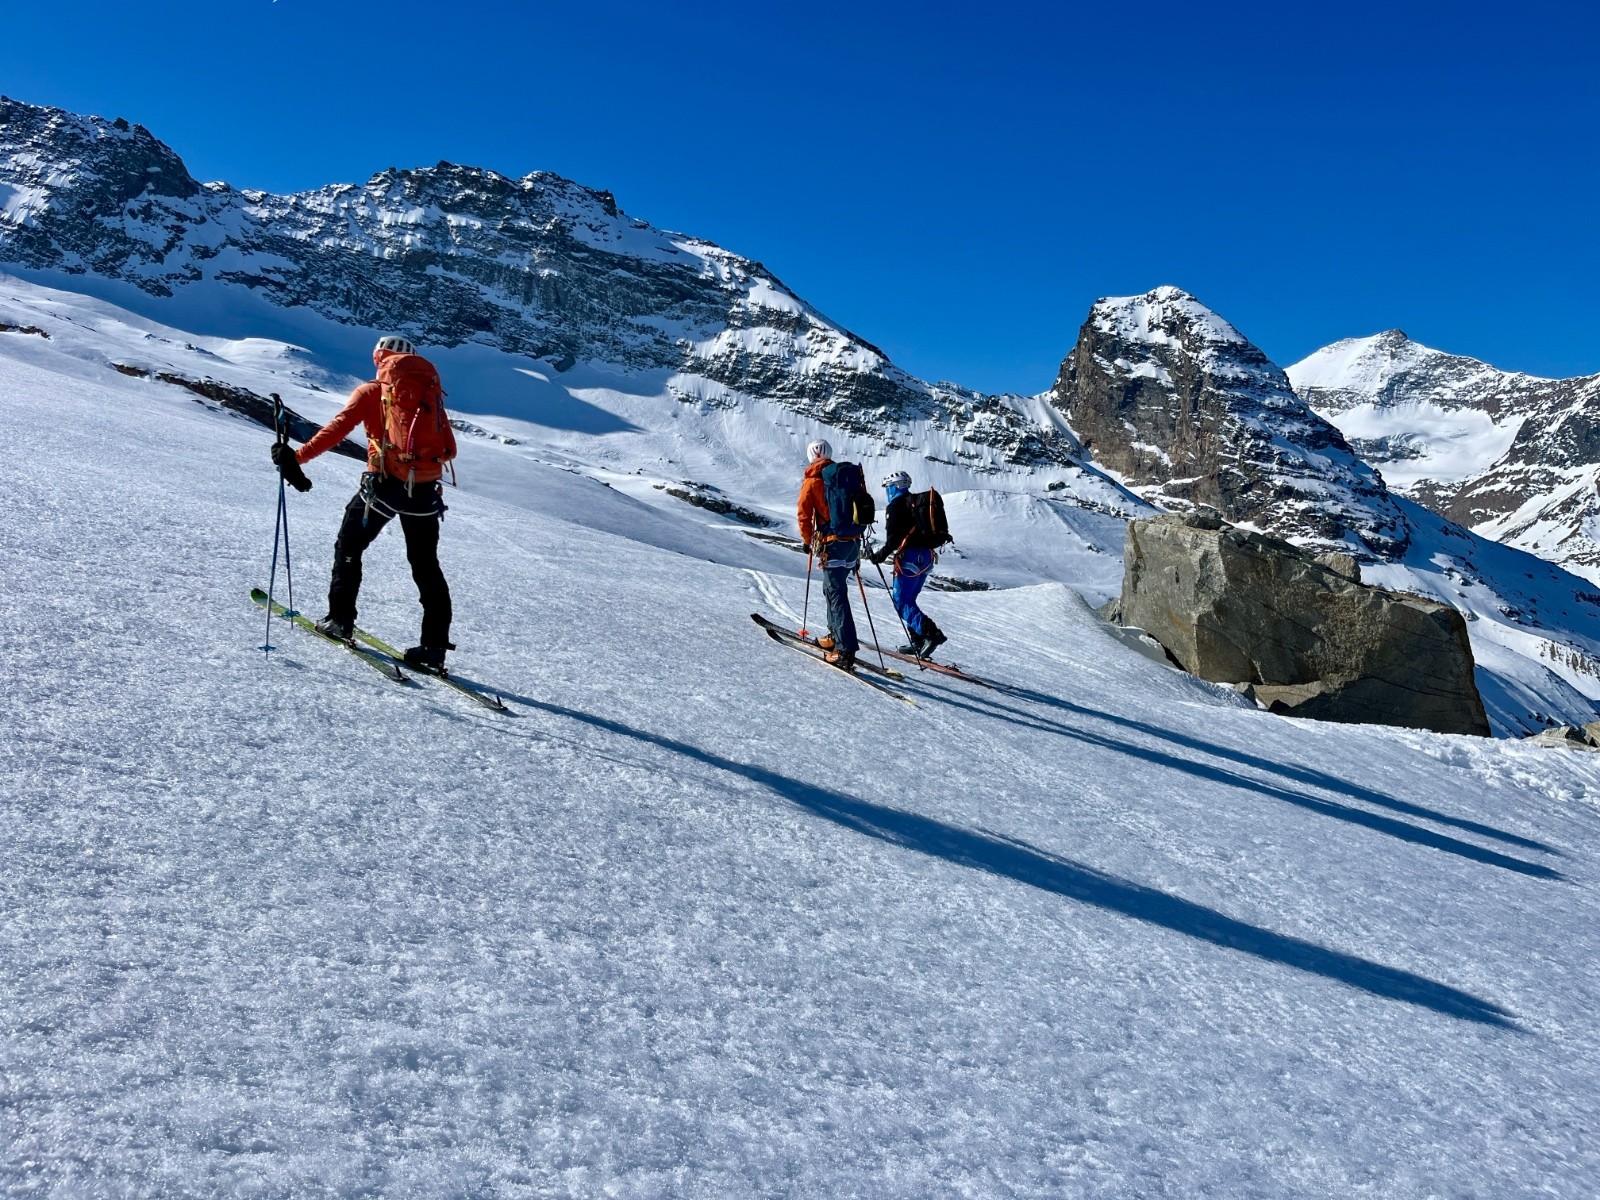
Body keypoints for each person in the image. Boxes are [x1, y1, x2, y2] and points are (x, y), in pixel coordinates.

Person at [270, 335, 458, 669]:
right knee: (425, 564)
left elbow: (338, 428)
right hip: (427, 487)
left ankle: (340, 620)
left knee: (349, 547)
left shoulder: (373, 391)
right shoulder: (427, 391)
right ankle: (434, 648)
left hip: (386, 484)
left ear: (379, 357)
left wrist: (297, 457)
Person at [796, 439, 861, 670]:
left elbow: (804, 516)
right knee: (832, 589)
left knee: (836, 594)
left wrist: (807, 542)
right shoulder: (846, 476)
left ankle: (845, 650)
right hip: (852, 543)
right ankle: (834, 636)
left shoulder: (812, 482)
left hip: (831, 543)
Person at [871, 470, 948, 658]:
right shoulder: (915, 503)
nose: (887, 491)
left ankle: (931, 634)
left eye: (888, 487)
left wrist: (879, 556)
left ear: (896, 487)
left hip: (910, 559)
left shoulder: (895, 507)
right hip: (926, 557)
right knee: (908, 600)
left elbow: (893, 541)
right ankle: (918, 640)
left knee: (902, 601)